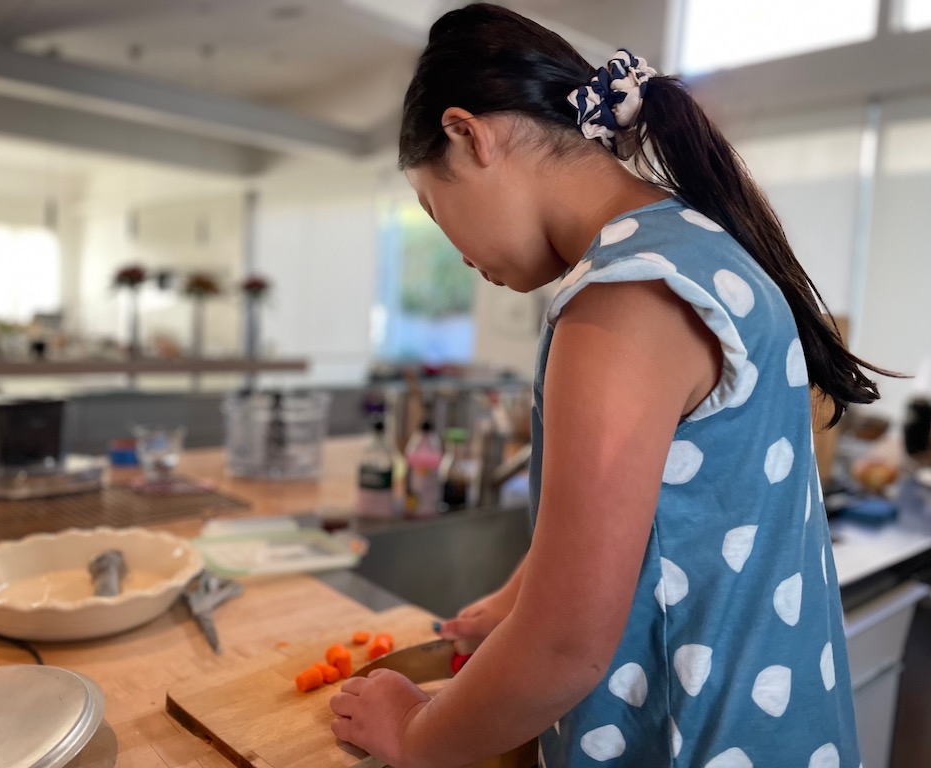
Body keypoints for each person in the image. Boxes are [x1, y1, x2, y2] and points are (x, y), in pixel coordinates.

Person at [330, 4, 893, 766]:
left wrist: (413, 734)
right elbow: (657, 503)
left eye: (435, 208)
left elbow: (564, 649)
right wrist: (516, 598)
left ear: (470, 134)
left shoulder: (622, 299)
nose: (457, 253)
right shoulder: (691, 246)